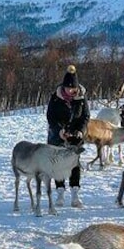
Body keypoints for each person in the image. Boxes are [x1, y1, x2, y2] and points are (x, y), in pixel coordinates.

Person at [46, 65, 89, 207]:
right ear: (63, 87)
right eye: (68, 88)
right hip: (57, 135)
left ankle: (75, 195)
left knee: (74, 164)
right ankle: (60, 194)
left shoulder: (81, 98)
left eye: (73, 88)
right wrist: (59, 130)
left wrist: (80, 130)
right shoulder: (56, 98)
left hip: (75, 136)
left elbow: (85, 117)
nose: (70, 91)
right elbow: (51, 117)